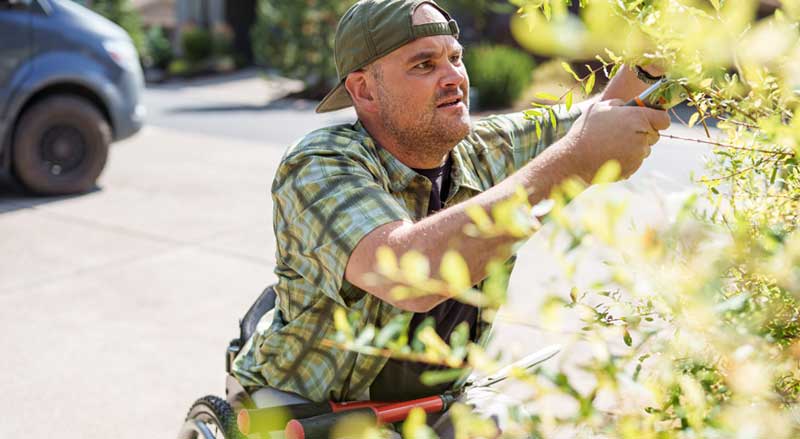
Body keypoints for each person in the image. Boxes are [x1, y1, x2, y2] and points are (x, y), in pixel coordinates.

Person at [232, 0, 670, 434]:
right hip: (311, 401)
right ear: (364, 90)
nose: (453, 77)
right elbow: (407, 275)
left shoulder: (481, 147)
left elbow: (597, 122)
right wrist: (575, 161)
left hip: (437, 397)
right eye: (424, 64)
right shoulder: (319, 165)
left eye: (455, 58)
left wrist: (655, 52)